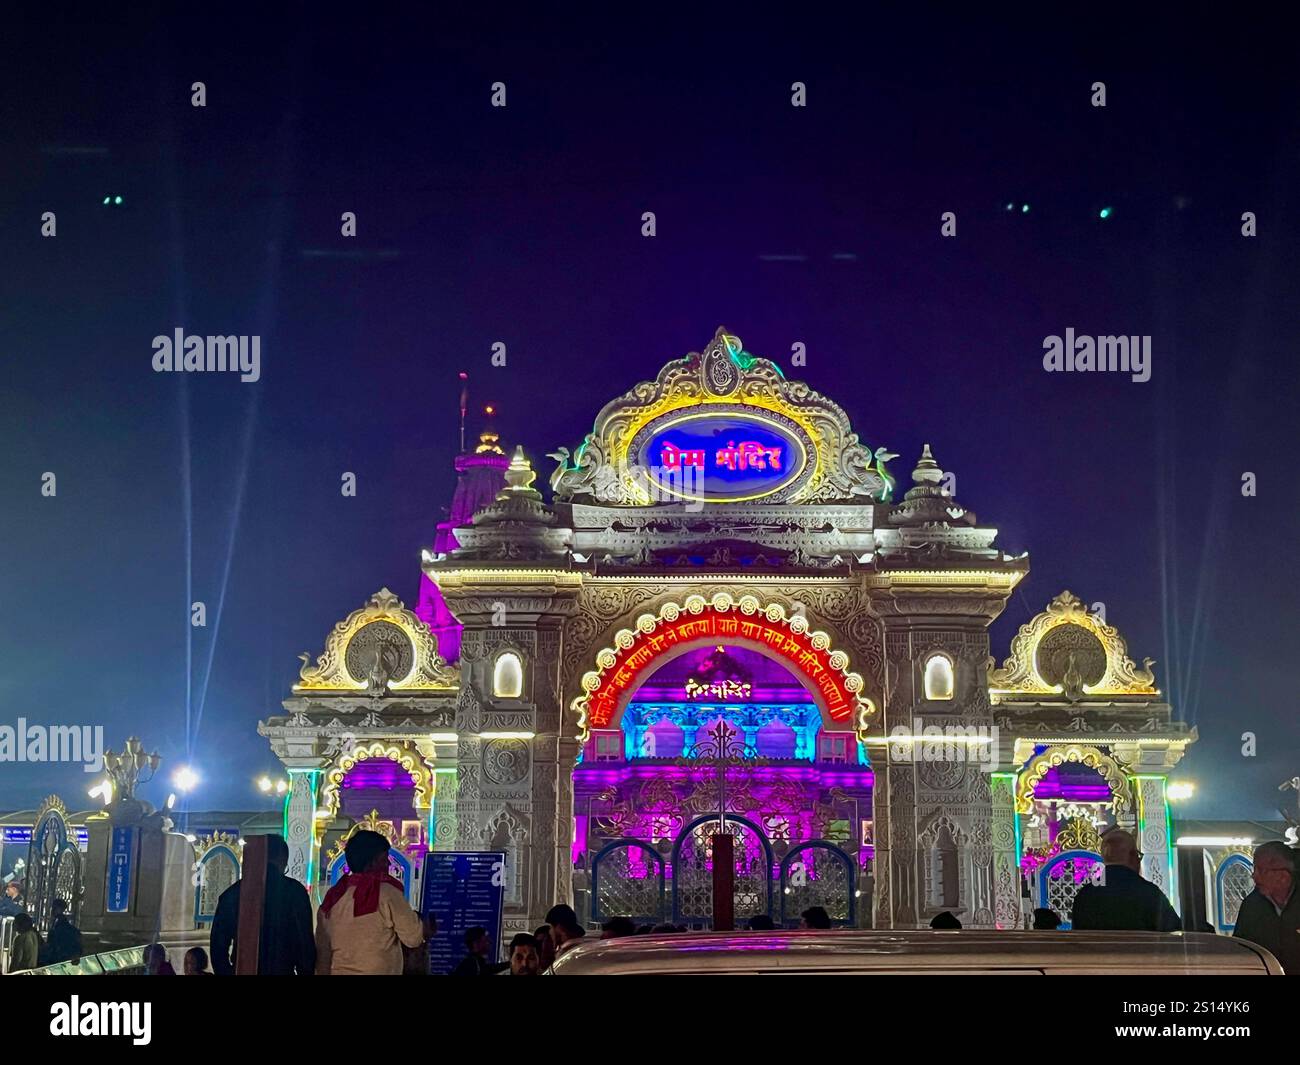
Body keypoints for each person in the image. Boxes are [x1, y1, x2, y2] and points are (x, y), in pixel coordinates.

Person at [315, 830, 428, 975]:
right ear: (372, 862)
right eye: (384, 859)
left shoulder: (333, 898)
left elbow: (323, 953)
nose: (388, 864)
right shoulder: (387, 893)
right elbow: (413, 938)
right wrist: (424, 928)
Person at [210, 834, 315, 975]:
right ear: (282, 859)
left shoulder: (233, 894)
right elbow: (304, 945)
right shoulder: (294, 892)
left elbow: (218, 947)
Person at [1070, 829, 1181, 932]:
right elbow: (1174, 930)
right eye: (1138, 855)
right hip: (1141, 953)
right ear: (1133, 856)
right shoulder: (1149, 893)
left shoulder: (1085, 895)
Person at [1233, 841, 1299, 974]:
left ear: (1283, 876)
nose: (1254, 876)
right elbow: (1240, 948)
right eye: (1254, 869)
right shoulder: (1251, 905)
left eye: (1261, 871)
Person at [39, 898, 82, 965]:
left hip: (58, 957)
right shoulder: (56, 922)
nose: (52, 910)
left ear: (60, 909)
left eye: (55, 907)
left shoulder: (61, 924)